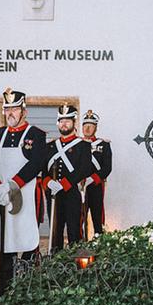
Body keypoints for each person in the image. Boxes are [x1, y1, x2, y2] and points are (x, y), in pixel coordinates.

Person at [0, 88, 47, 298]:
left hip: (25, 193)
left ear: (24, 111)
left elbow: (36, 163)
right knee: (6, 238)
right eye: (7, 109)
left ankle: (27, 283)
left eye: (14, 109)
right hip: (1, 196)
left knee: (27, 236)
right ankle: (5, 285)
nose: (10, 113)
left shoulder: (36, 134)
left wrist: (13, 184)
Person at [43, 104, 93, 253]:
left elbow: (85, 168)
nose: (64, 124)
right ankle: (55, 260)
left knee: (74, 231)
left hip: (71, 193)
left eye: (67, 121)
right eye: (61, 121)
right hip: (53, 194)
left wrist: (64, 183)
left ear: (74, 122)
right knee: (55, 230)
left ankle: (75, 261)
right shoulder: (50, 146)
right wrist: (48, 182)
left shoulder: (83, 146)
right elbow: (43, 169)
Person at [81, 110, 112, 235]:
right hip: (79, 185)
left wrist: (93, 178)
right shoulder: (77, 144)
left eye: (91, 126)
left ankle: (98, 241)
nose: (87, 128)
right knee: (78, 217)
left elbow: (107, 167)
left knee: (97, 216)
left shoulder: (104, 145)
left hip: (95, 185)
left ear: (96, 128)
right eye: (85, 125)